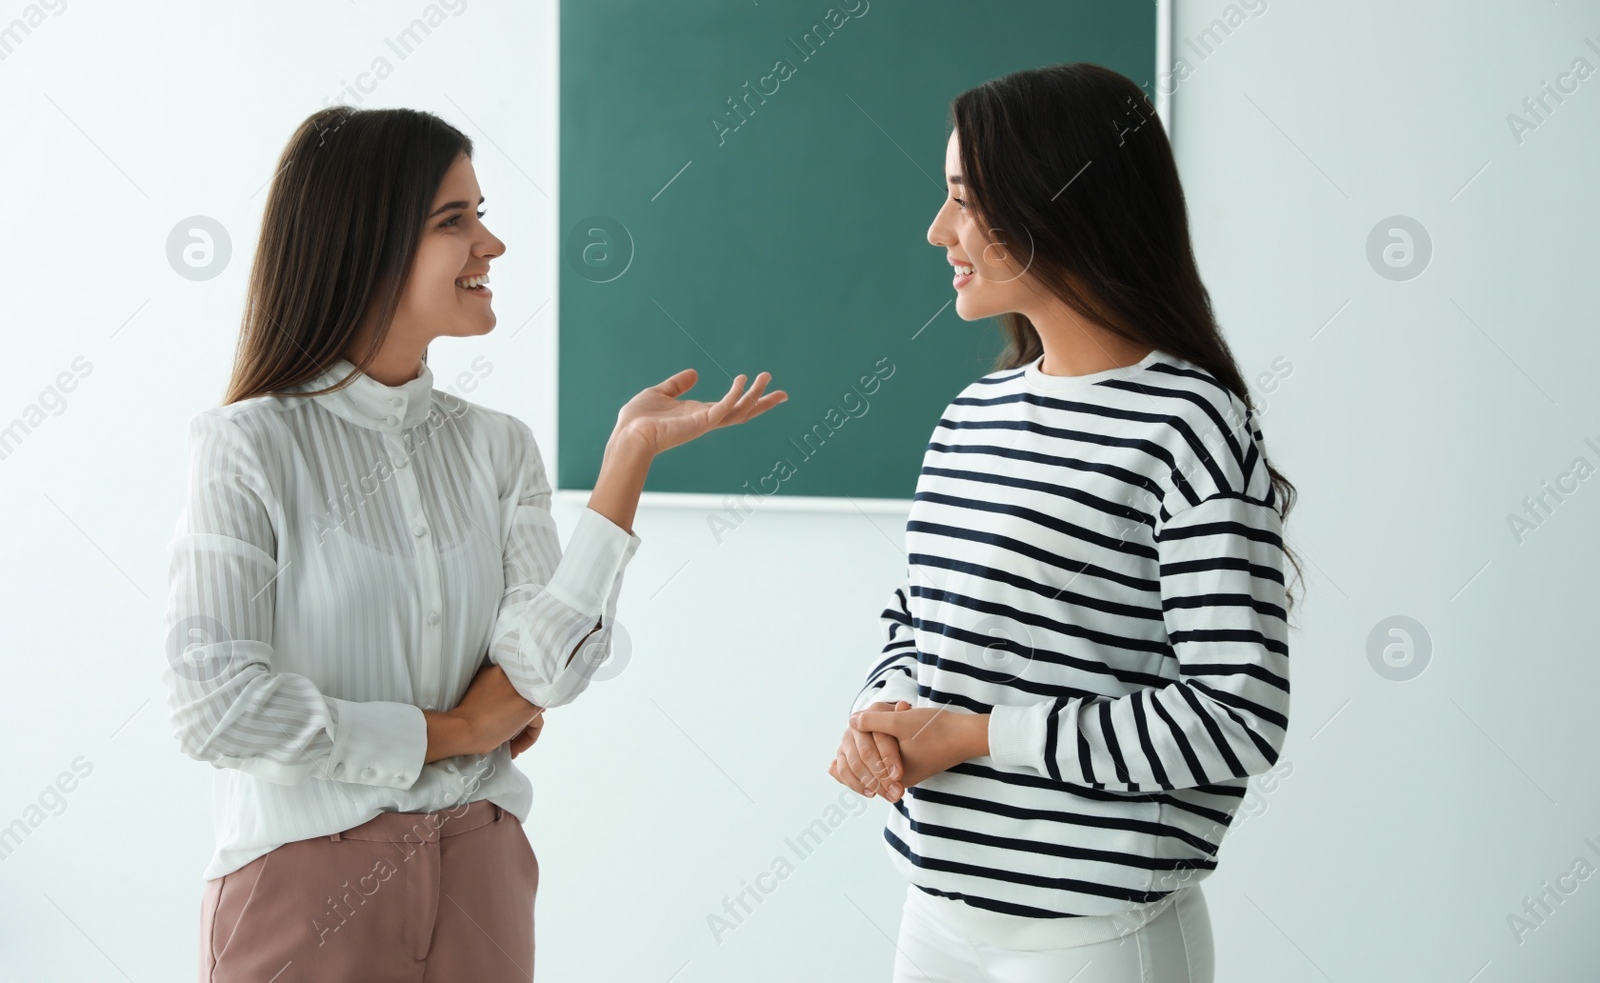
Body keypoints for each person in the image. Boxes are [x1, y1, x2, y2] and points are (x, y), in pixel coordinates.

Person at [161, 105, 786, 982]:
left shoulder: (499, 445)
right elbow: (214, 705)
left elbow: (544, 670)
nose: (490, 244)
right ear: (364, 243)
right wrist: (452, 729)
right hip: (305, 877)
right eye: (455, 220)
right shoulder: (248, 443)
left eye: (481, 214)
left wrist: (625, 462)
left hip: (482, 867)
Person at [829, 62, 1303, 983]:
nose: (938, 230)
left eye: (966, 200)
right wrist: (877, 710)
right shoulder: (972, 414)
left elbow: (1237, 715)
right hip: (934, 908)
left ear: (1056, 205)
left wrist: (977, 735)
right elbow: (916, 621)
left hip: (1099, 936)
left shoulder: (1189, 424)